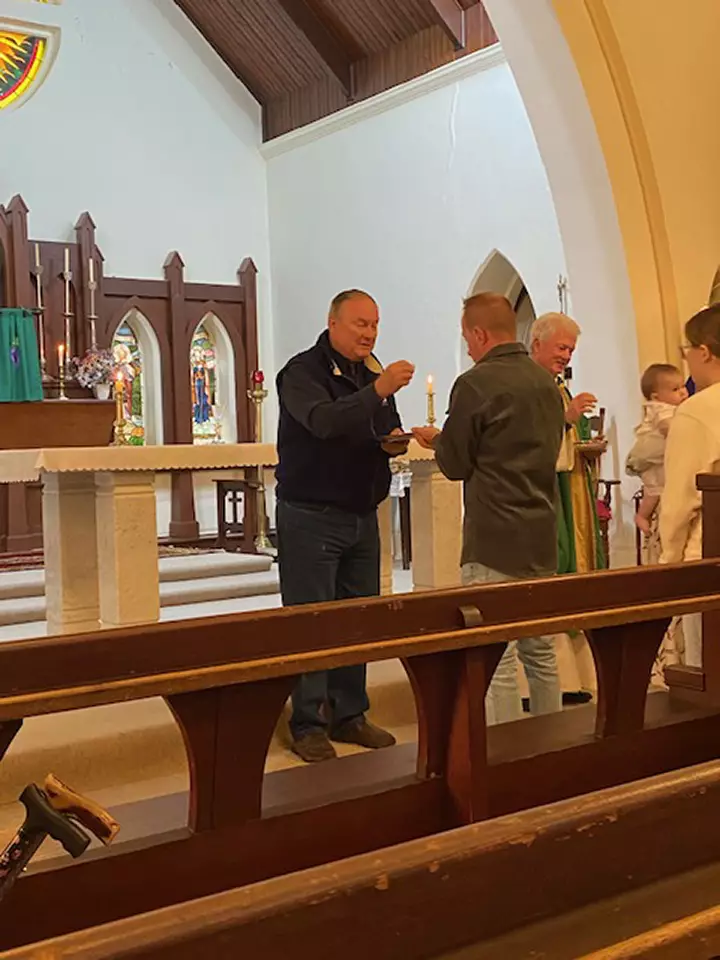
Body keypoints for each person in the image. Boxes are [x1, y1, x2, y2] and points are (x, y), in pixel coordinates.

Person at [275, 289, 414, 762]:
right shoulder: (301, 373)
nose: (369, 333)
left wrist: (395, 440)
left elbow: (377, 429)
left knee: (358, 620)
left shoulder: (371, 373)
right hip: (310, 515)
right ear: (333, 322)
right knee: (312, 622)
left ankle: (350, 713)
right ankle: (308, 722)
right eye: (360, 323)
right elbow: (323, 422)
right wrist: (378, 391)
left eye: (374, 324)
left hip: (361, 513)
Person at [413, 293, 564, 724]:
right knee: (540, 653)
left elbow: (457, 464)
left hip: (494, 538)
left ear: (479, 334)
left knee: (497, 659)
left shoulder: (475, 383)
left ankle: (505, 752)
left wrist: (439, 441)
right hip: (540, 535)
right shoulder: (545, 384)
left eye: (467, 339)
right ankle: (550, 744)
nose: (468, 349)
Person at [660, 305, 720, 668]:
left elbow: (680, 500)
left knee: (708, 677)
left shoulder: (698, 411)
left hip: (709, 562)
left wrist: (669, 565)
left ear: (704, 352)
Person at [530, 313, 605, 574]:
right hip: (548, 487)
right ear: (537, 344)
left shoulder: (558, 386)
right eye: (561, 348)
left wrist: (588, 443)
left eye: (571, 350)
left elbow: (571, 434)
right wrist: (567, 418)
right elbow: (530, 436)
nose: (567, 356)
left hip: (571, 482)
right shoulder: (529, 386)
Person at [626, 363, 687, 537]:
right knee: (655, 489)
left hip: (659, 457)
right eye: (675, 389)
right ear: (656, 396)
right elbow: (666, 427)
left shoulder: (673, 407)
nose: (683, 392)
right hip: (652, 459)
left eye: (683, 386)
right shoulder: (660, 408)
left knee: (658, 488)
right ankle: (642, 516)